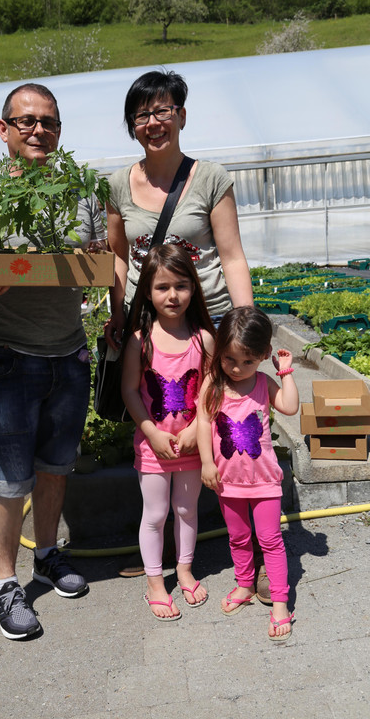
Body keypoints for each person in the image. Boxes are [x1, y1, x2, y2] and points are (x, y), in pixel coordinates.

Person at [0, 83, 103, 641]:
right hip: (9, 357)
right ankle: (4, 583)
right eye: (27, 120)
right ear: (4, 129)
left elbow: (98, 257)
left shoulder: (79, 190)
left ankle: (48, 555)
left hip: (69, 352)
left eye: (49, 122)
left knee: (55, 467)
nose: (39, 130)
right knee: (7, 478)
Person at [105, 67, 256, 579]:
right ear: (131, 125)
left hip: (208, 324)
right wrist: (117, 314)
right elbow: (118, 258)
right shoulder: (116, 185)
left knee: (231, 431)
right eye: (141, 115)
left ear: (182, 115)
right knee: (156, 427)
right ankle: (156, 547)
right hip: (149, 330)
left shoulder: (210, 178)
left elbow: (231, 256)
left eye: (162, 110)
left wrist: (244, 326)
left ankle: (253, 552)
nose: (153, 122)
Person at [121, 244, 216, 620]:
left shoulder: (203, 339)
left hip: (193, 446)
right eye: (162, 287)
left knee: (187, 510)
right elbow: (130, 390)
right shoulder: (139, 340)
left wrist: (196, 428)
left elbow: (210, 386)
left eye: (181, 285)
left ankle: (185, 569)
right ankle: (155, 582)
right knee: (156, 514)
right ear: (147, 291)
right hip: (153, 447)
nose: (173, 295)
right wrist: (151, 432)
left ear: (194, 287)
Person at [197, 306, 299, 642]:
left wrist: (286, 373)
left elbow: (290, 407)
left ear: (264, 355)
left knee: (270, 540)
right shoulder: (213, 384)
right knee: (238, 537)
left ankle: (280, 602)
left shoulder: (264, 383)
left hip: (265, 481)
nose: (237, 368)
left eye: (247, 361)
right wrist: (207, 462)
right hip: (228, 482)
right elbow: (203, 422)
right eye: (229, 359)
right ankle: (244, 584)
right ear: (219, 350)